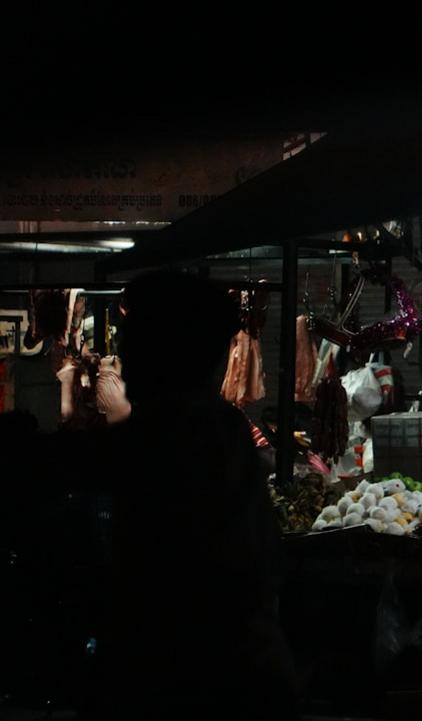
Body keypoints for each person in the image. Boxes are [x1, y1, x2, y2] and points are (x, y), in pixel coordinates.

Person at [60, 271, 298, 720]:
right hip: (233, 667)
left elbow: (93, 459)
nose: (125, 354)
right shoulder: (216, 427)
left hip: (197, 678)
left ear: (165, 352)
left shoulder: (185, 431)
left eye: (134, 338)